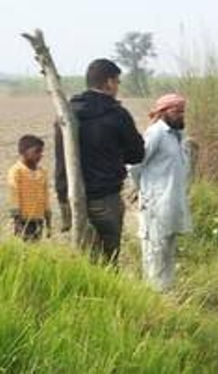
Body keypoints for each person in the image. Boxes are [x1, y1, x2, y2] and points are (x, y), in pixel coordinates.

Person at [55, 58, 145, 265]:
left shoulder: (66, 114)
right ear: (109, 82)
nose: (118, 88)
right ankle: (107, 296)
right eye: (118, 82)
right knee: (108, 260)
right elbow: (137, 154)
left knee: (82, 261)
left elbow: (61, 164)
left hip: (74, 199)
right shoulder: (117, 114)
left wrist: (63, 200)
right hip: (106, 199)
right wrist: (114, 154)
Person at [129, 94, 192, 292]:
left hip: (173, 203)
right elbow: (135, 163)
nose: (180, 115)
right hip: (155, 203)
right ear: (163, 113)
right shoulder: (155, 133)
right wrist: (142, 190)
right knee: (154, 251)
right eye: (176, 111)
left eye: (182, 111)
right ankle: (154, 296)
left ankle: (168, 294)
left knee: (168, 251)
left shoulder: (178, 135)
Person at [7, 135, 51, 242]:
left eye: (41, 152)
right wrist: (17, 220)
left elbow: (46, 196)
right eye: (37, 151)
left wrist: (48, 219)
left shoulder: (42, 172)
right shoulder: (16, 171)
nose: (41, 155)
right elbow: (14, 195)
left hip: (38, 219)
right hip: (23, 220)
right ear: (24, 152)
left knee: (35, 245)